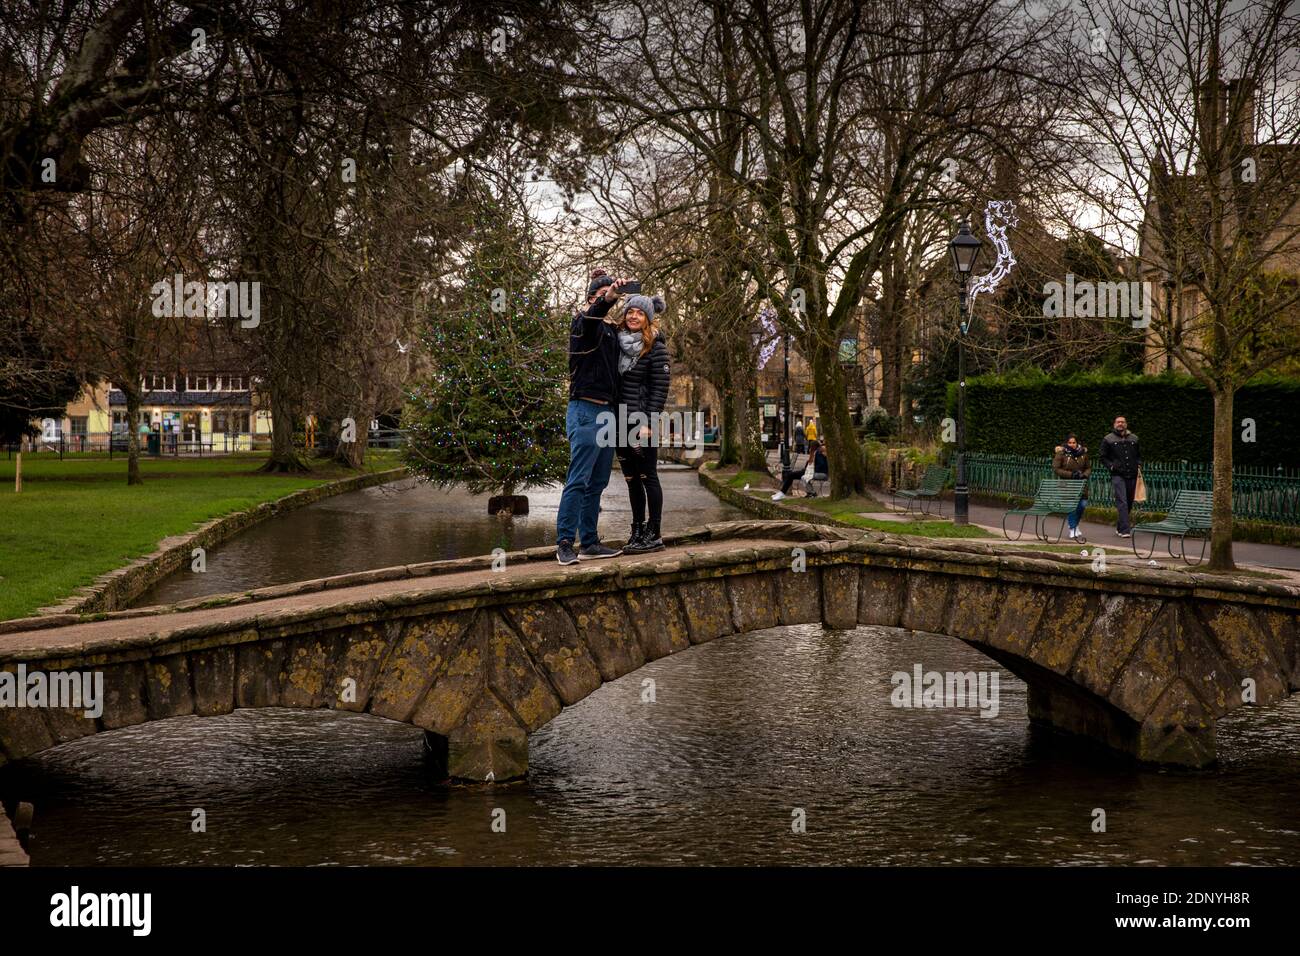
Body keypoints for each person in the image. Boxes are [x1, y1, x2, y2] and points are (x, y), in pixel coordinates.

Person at [555, 270, 635, 565]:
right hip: (585, 410)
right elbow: (592, 316)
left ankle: (588, 542)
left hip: (608, 413)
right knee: (578, 479)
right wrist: (606, 298)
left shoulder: (613, 333)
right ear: (591, 300)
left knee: (598, 482)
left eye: (613, 296)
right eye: (602, 297)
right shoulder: (582, 325)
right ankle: (564, 542)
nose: (610, 303)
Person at [615, 293, 671, 554]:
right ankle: (637, 529)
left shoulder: (656, 347)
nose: (633, 316)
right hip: (617, 422)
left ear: (648, 318)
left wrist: (649, 423)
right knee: (631, 479)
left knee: (648, 477)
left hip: (642, 423)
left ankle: (655, 532)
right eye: (630, 312)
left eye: (639, 313)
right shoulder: (619, 344)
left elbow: (660, 389)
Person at [1099, 415, 1141, 538]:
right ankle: (1125, 530)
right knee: (1122, 501)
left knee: (1128, 502)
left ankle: (1119, 527)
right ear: (1114, 424)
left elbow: (1138, 455)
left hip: (1132, 474)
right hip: (1118, 475)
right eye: (1118, 422)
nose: (1120, 424)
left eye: (1122, 422)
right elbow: (1102, 456)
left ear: (1126, 424)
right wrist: (1111, 466)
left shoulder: (1134, 438)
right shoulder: (1108, 439)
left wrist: (1139, 464)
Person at [1052, 433, 1091, 540]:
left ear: (1077, 443)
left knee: (1082, 505)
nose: (1072, 444)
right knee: (1072, 507)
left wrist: (1084, 475)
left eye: (1074, 442)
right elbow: (1056, 468)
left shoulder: (1083, 454)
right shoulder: (1061, 453)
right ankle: (1072, 529)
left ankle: (1075, 524)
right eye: (1070, 442)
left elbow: (1088, 468)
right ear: (1066, 443)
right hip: (1067, 485)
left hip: (1081, 484)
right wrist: (1071, 474)